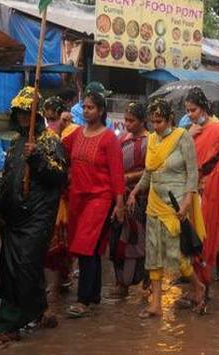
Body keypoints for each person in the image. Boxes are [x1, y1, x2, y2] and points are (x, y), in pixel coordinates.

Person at [0, 87, 67, 345]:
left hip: (36, 218)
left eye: (28, 112)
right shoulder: (15, 142)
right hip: (14, 218)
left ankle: (8, 324)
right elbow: (7, 177)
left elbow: (59, 177)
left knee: (22, 267)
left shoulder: (49, 142)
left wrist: (36, 158)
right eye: (19, 113)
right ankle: (40, 310)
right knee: (14, 267)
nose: (23, 118)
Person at [127, 99, 207, 318]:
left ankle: (198, 286)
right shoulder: (152, 139)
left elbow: (193, 173)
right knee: (152, 253)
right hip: (154, 202)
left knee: (176, 253)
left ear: (170, 118)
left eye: (159, 121)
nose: (155, 126)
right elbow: (149, 171)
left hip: (175, 203)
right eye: (152, 122)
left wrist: (187, 203)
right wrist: (135, 192)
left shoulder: (183, 138)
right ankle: (156, 305)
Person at [63, 91, 126, 318]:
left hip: (100, 198)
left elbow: (117, 174)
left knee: (85, 245)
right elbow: (60, 148)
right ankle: (94, 296)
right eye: (85, 107)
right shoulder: (77, 133)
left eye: (91, 107)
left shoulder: (109, 139)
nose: (87, 110)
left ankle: (83, 301)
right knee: (87, 248)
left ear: (100, 111)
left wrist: (119, 203)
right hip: (77, 198)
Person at [185, 88, 219, 288]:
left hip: (208, 190)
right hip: (190, 189)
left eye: (193, 110)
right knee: (189, 236)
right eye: (187, 110)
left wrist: (210, 175)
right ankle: (195, 283)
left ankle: (203, 284)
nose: (190, 114)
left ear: (204, 108)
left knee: (203, 236)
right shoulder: (191, 129)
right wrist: (187, 137)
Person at [107, 102, 149, 299]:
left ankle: (143, 280)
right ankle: (120, 283)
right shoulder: (123, 138)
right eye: (125, 120)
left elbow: (151, 171)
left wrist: (130, 179)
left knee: (136, 239)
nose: (127, 124)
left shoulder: (150, 141)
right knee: (116, 240)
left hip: (139, 197)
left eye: (131, 121)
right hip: (119, 195)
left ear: (142, 121)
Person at [42, 96, 79, 302]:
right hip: (51, 195)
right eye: (48, 118)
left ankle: (59, 282)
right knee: (55, 241)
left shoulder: (73, 133)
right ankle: (57, 281)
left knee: (62, 240)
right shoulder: (46, 134)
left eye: (53, 117)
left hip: (65, 194)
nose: (52, 121)